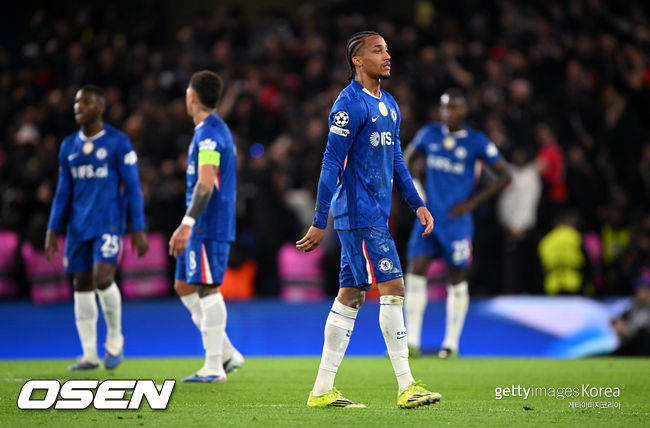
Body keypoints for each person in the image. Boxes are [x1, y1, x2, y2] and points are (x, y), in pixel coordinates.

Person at [296, 30, 440, 409]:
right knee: (393, 288)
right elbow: (331, 162)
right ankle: (407, 386)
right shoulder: (349, 105)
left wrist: (417, 203)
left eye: (387, 50)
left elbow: (396, 161)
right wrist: (320, 219)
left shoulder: (389, 104)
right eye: (378, 51)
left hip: (373, 214)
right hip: (359, 215)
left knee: (352, 295)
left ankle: (322, 390)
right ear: (357, 60)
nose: (387, 56)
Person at [45, 85, 149, 370]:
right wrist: (52, 228)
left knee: (103, 279)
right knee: (81, 284)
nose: (78, 107)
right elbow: (63, 192)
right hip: (78, 227)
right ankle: (89, 355)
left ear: (100, 107)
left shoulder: (118, 142)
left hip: (108, 224)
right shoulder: (68, 146)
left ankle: (115, 339)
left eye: (86, 102)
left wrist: (138, 228)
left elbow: (133, 187)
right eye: (77, 102)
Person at [404, 89, 511, 358]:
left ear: (464, 110)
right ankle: (412, 342)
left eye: (453, 108)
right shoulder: (429, 133)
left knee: (457, 278)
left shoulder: (476, 141)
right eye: (444, 107)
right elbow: (406, 159)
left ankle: (451, 344)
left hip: (456, 223)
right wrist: (417, 192)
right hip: (427, 218)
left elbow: (505, 175)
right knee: (415, 273)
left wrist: (473, 203)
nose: (447, 113)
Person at [169, 70, 244, 383]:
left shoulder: (209, 134)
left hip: (207, 225)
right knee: (184, 285)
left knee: (208, 288)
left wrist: (186, 224)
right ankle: (226, 352)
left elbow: (206, 183)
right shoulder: (211, 129)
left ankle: (214, 366)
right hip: (202, 224)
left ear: (191, 98)